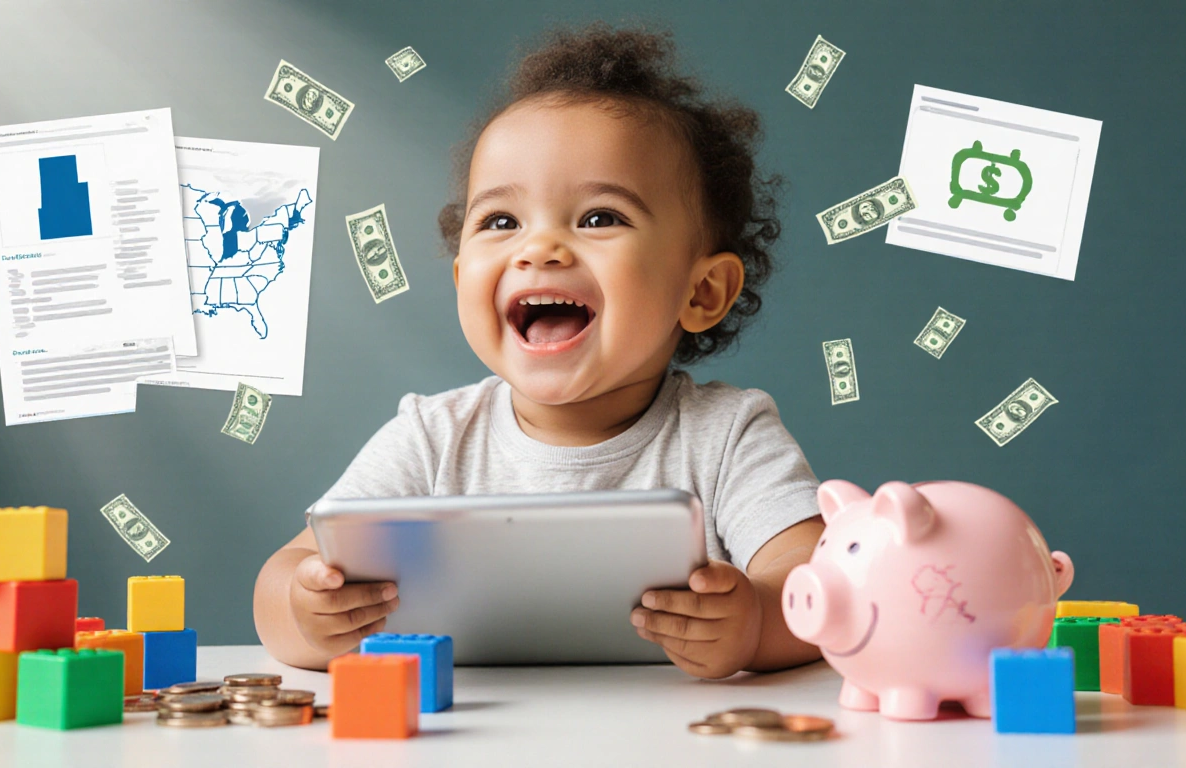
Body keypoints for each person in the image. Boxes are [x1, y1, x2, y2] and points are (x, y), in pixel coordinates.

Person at [253, 22, 824, 679]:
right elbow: (283, 581)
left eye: (599, 217)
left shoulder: (726, 436)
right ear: (464, 277)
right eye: (501, 222)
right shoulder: (433, 438)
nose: (540, 248)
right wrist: (306, 613)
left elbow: (815, 586)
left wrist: (753, 622)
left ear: (701, 291)